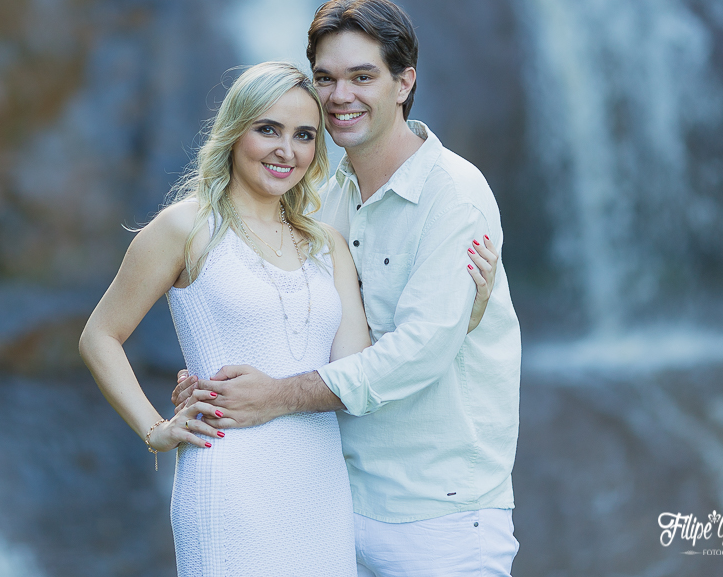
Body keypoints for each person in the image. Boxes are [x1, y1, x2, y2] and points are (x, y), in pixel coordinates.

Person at [80, 61, 497, 577]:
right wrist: (156, 429)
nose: (287, 150)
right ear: (235, 131)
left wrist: (462, 317)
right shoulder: (186, 227)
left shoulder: (328, 244)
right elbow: (100, 336)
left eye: (304, 135)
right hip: (230, 481)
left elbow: (360, 369)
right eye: (268, 129)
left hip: (321, 489)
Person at [177, 0, 522, 577]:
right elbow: (283, 315)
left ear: (403, 84)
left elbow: (420, 350)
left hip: (437, 517)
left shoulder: (454, 195)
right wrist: (210, 384)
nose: (340, 96)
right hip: (329, 504)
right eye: (326, 79)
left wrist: (277, 395)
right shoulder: (320, 201)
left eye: (362, 77)